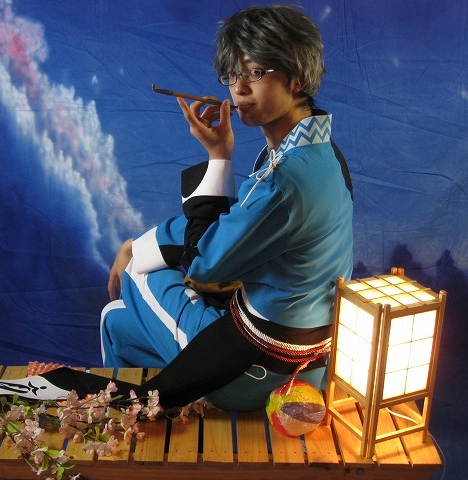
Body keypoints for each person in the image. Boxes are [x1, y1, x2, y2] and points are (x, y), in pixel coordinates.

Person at [100, 4, 353, 411]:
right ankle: (132, 422)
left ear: (298, 79)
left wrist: (218, 159)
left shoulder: (285, 178)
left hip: (257, 372)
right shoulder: (321, 153)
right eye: (232, 75)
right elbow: (239, 222)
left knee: (137, 271)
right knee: (116, 320)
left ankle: (157, 407)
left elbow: (203, 262)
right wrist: (220, 153)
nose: (239, 88)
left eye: (255, 72)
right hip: (309, 364)